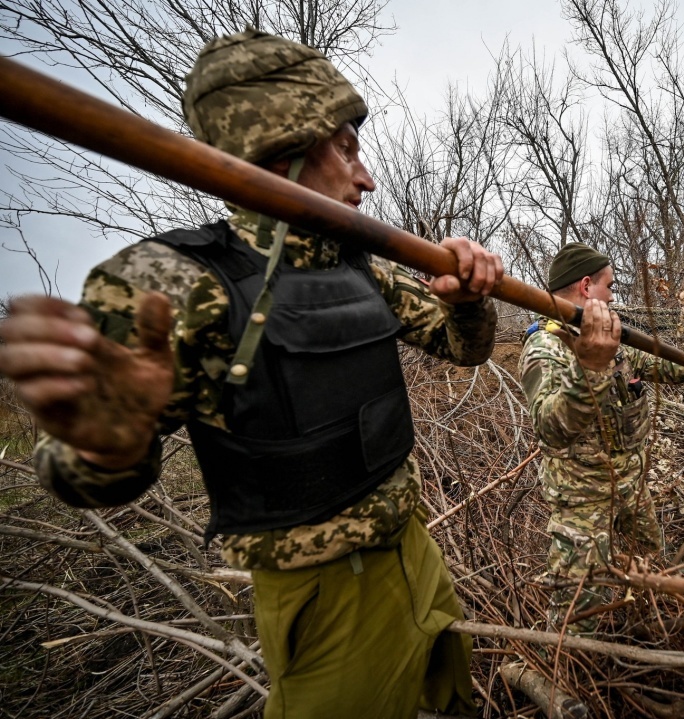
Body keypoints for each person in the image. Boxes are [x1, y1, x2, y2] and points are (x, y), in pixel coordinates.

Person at [0, 30, 503, 719]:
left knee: (452, 696)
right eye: (348, 149)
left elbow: (462, 348)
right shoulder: (169, 281)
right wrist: (107, 441)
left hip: (413, 543)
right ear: (287, 147)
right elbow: (77, 472)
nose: (367, 178)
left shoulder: (359, 264)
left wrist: (470, 303)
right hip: (323, 595)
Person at [518, 243, 684, 634]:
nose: (613, 295)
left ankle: (644, 628)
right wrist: (590, 367)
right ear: (587, 285)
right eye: (609, 286)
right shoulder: (545, 347)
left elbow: (643, 361)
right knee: (578, 602)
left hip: (630, 481)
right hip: (582, 496)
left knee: (649, 564)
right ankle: (562, 673)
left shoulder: (607, 331)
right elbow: (550, 427)